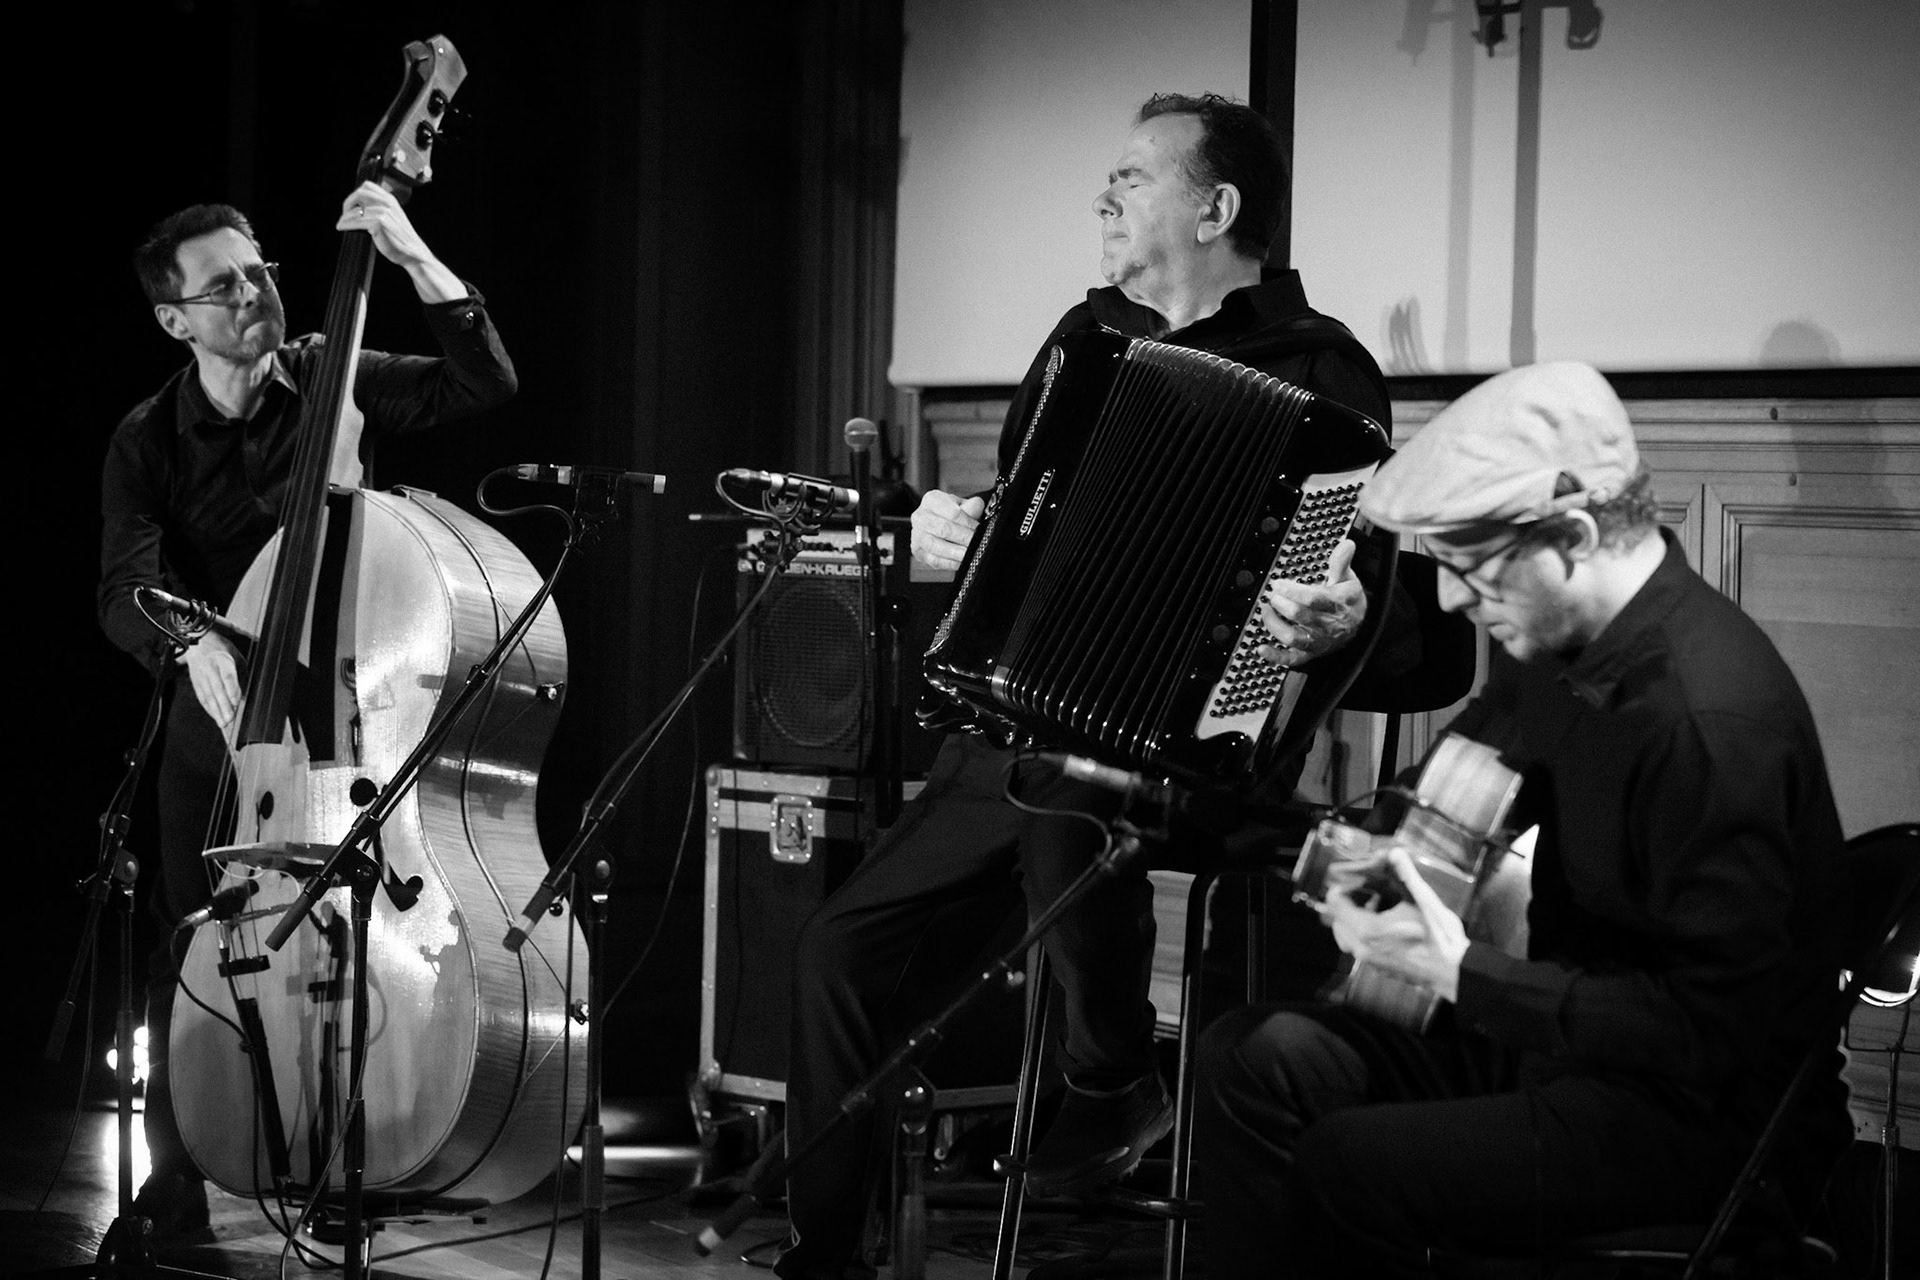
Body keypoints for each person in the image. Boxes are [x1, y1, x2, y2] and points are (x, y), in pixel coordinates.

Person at [778, 93, 1401, 1280]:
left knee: (1069, 789)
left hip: (1199, 751)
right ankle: (825, 1253)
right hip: (1022, 724)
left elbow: (1368, 597)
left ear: (1216, 207)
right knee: (834, 949)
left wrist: (1334, 624)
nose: (1103, 198)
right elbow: (1024, 518)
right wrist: (961, 531)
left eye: (1131, 177)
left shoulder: (1322, 371)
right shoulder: (1086, 336)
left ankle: (1114, 1073)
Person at [1193, 361, 1853, 1277]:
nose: (1456, 599)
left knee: (1351, 1166)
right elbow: (1443, 798)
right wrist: (1337, 846)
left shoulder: (1707, 724)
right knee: (1253, 1062)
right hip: (1563, 1049)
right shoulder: (1553, 645)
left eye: (1471, 567)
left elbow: (1712, 1032)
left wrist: (1464, 973)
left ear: (1575, 535)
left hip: (1700, 1118)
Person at [97, 182, 517, 1236]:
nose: (254, 294)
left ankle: (342, 1162)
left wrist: (414, 254)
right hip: (219, 717)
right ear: (175, 318)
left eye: (260, 272)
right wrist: (186, 640)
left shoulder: (336, 370)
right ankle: (179, 1172)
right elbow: (118, 589)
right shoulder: (147, 438)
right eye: (223, 285)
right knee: (190, 941)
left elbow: (486, 378)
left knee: (349, 935)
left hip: (347, 714)